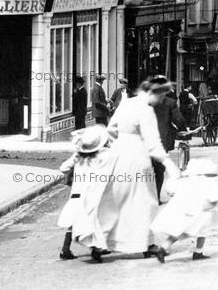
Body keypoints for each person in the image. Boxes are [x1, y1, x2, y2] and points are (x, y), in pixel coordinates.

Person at [73, 75, 181, 261]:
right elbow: (153, 144)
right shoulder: (146, 111)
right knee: (145, 201)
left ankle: (99, 243)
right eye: (161, 96)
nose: (161, 100)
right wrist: (168, 163)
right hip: (138, 158)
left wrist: (114, 145)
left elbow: (112, 128)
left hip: (118, 155)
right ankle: (146, 244)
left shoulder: (126, 103)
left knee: (114, 201)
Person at [150, 159, 218, 263]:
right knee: (202, 232)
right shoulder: (208, 182)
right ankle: (198, 252)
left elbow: (171, 189)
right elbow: (214, 198)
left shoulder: (186, 180)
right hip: (200, 211)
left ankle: (163, 248)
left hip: (185, 211)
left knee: (178, 231)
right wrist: (210, 205)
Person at [57, 125, 110, 260]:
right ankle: (96, 248)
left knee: (73, 219)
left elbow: (63, 168)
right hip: (93, 191)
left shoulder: (77, 156)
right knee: (93, 218)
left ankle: (65, 248)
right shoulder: (101, 156)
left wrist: (73, 172)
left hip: (77, 192)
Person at [152, 82, 187, 203]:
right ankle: (156, 197)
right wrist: (183, 130)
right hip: (161, 142)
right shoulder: (169, 103)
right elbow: (178, 119)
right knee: (159, 171)